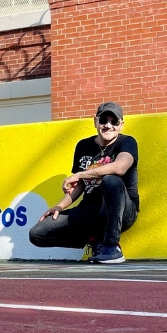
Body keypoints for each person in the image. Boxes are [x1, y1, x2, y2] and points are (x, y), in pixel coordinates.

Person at [29, 101, 139, 264]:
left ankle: (112, 247)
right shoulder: (83, 146)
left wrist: (80, 174)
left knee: (111, 180)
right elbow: (79, 184)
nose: (108, 126)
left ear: (121, 124)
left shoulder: (127, 142)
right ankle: (95, 240)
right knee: (37, 233)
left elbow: (120, 167)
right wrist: (59, 206)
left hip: (123, 211)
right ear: (95, 122)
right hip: (90, 210)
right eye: (103, 120)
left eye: (114, 121)